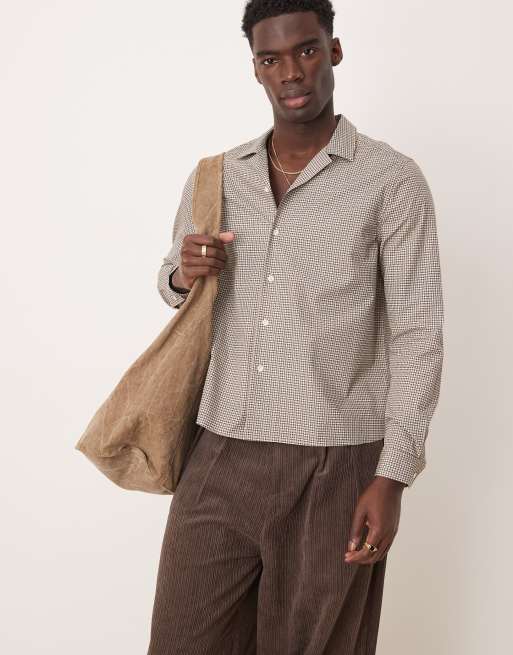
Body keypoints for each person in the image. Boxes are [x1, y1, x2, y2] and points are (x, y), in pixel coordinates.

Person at [148, 1, 444, 653]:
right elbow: (172, 284)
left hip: (334, 463)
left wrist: (391, 475)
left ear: (333, 51)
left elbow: (418, 334)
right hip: (219, 451)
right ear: (255, 68)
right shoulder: (217, 175)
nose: (291, 72)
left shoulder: (391, 181)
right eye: (271, 58)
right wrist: (183, 272)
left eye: (306, 50)